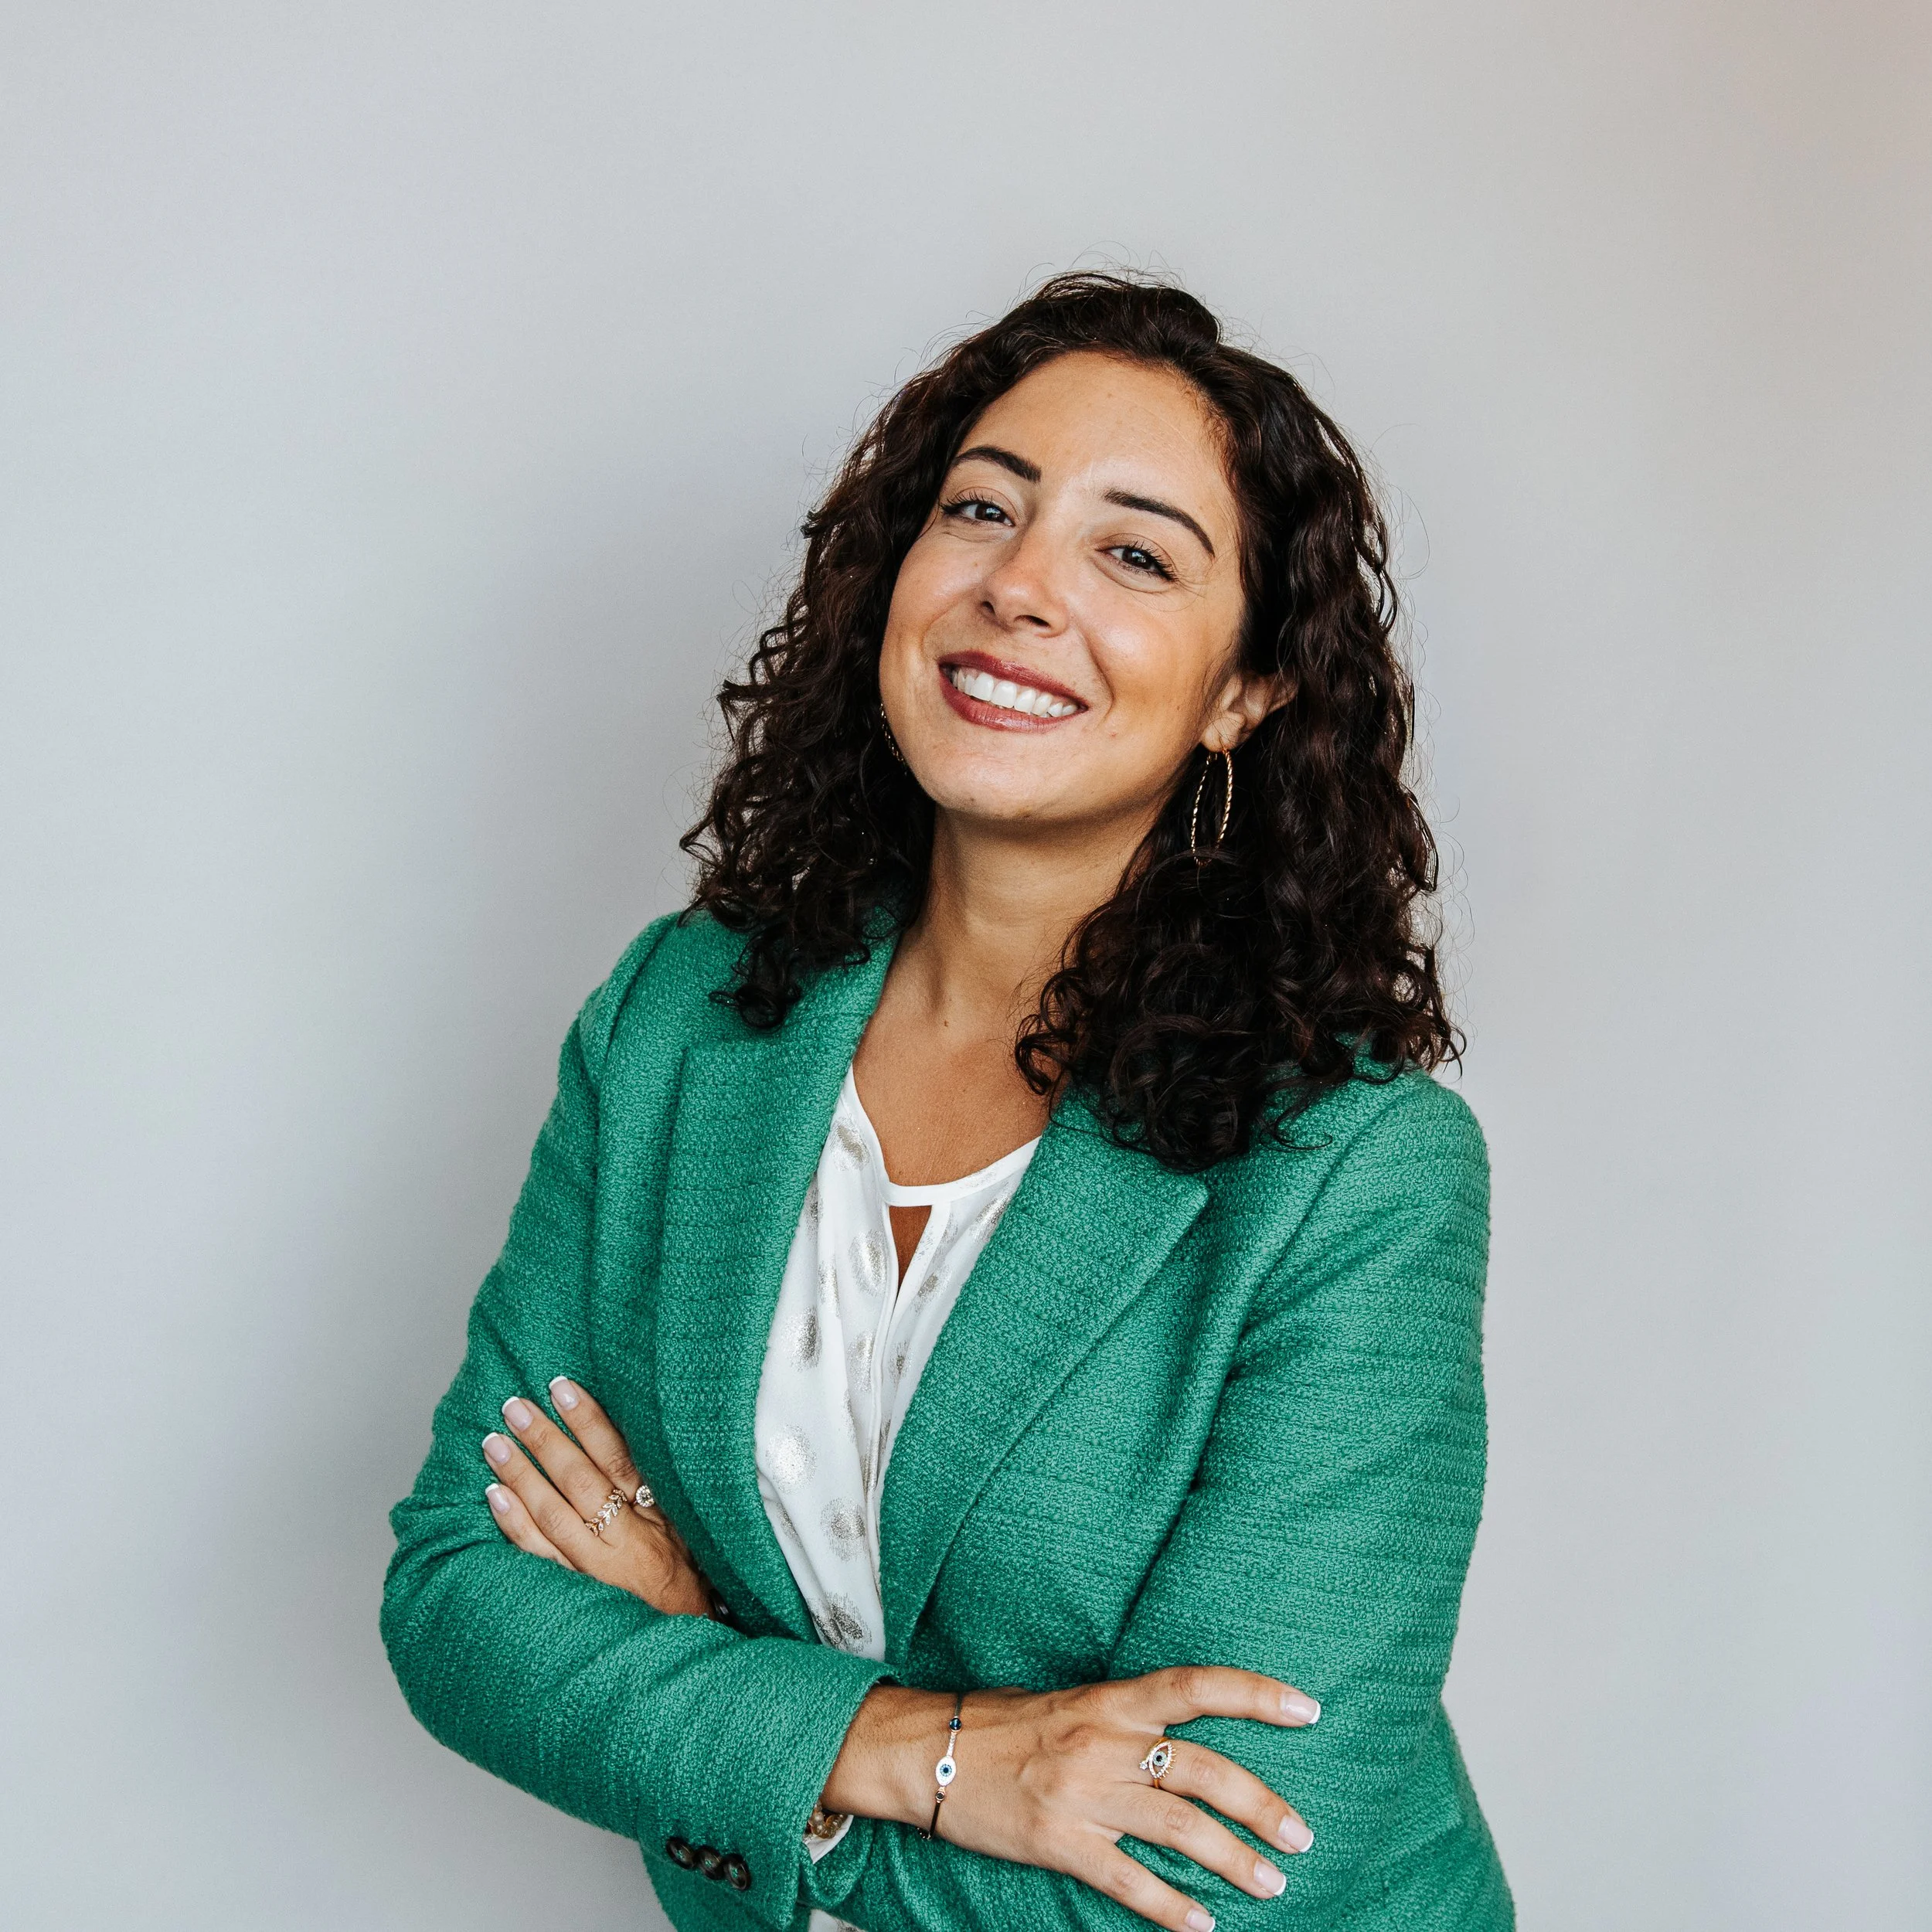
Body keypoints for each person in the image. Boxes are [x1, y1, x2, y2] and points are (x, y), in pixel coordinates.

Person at [381, 271, 1512, 1932]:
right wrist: (945, 1757)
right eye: (981, 508)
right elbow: (458, 1595)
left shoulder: (1353, 1172)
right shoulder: (680, 1022)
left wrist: (724, 1719)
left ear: (1242, 691)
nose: (1018, 587)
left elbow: (1219, 1871)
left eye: (1133, 553)